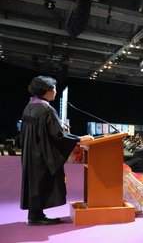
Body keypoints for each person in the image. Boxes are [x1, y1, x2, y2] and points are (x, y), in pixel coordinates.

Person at [20, 76, 93, 226]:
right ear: (46, 91)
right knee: (41, 181)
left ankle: (35, 214)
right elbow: (57, 136)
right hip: (42, 154)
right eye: (53, 89)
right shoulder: (46, 109)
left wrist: (59, 126)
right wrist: (79, 139)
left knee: (34, 182)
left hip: (30, 152)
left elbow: (44, 130)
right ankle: (36, 218)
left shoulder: (30, 106)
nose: (55, 92)